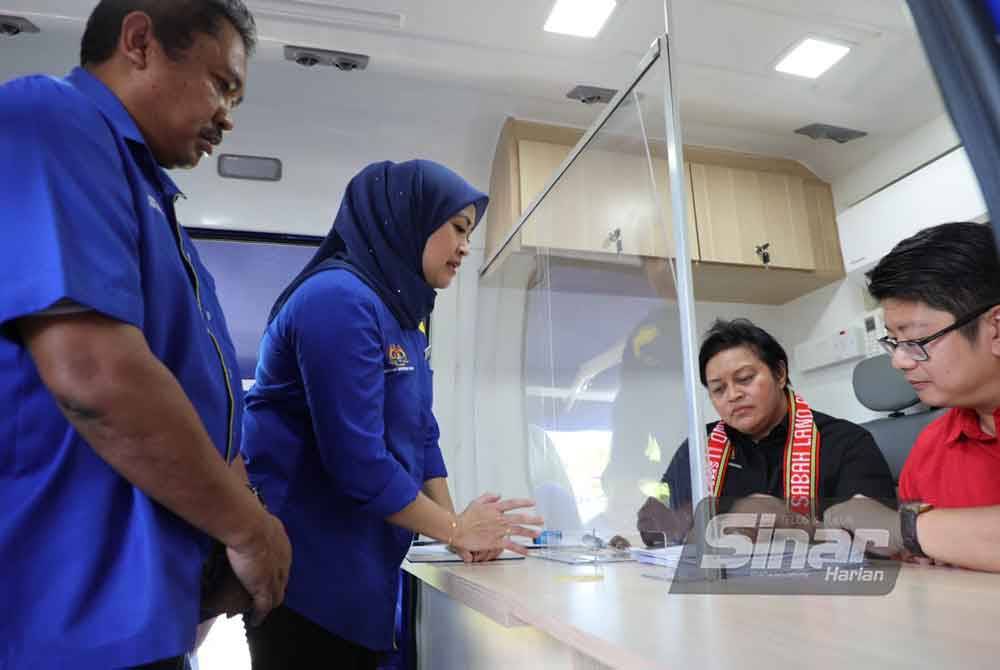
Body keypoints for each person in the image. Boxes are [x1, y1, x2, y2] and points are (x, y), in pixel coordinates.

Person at [0, 2, 293, 668]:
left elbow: (206, 408)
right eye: (222, 83)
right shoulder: (49, 120)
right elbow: (96, 379)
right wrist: (250, 533)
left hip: (140, 613)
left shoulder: (156, 208)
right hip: (59, 618)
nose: (228, 114)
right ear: (138, 42)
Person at [241, 160, 542, 669]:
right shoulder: (336, 300)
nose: (466, 246)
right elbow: (355, 459)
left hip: (360, 564)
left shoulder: (405, 315)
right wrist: (454, 527)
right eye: (458, 228)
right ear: (408, 218)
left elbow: (422, 432)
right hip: (307, 568)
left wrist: (456, 531)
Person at [824, 222, 1000, 572]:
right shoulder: (929, 450)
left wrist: (906, 529)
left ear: (995, 329)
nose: (899, 361)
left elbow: (911, 534)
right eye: (893, 341)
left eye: (916, 341)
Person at [637, 319, 896, 546]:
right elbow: (664, 509)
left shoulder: (845, 443)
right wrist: (656, 525)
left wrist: (789, 522)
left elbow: (881, 541)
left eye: (745, 378)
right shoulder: (698, 448)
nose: (733, 395)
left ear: (780, 374)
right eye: (718, 389)